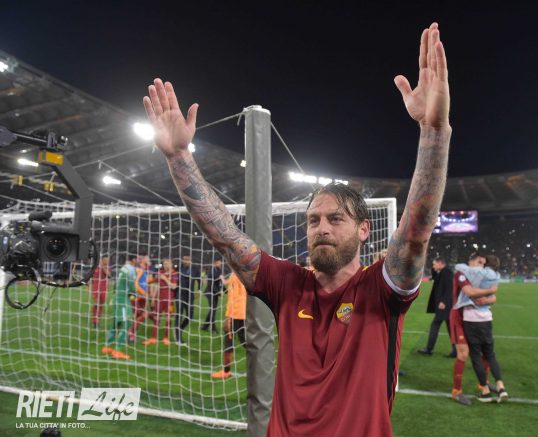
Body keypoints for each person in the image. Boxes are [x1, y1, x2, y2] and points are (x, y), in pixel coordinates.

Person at [143, 21, 451, 435]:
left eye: (335, 219)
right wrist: (178, 156)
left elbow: (415, 233)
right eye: (313, 220)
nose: (321, 228)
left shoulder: (380, 289)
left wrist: (434, 131)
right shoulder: (288, 286)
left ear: (364, 230)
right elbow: (225, 237)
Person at [454, 255, 508, 402]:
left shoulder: (475, 274)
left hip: (472, 319)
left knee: (478, 355)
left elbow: (478, 294)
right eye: (478, 261)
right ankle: (500, 387)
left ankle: (484, 389)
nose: (481, 265)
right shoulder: (491, 275)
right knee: (483, 354)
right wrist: (491, 293)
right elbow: (484, 294)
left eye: (483, 262)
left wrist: (490, 296)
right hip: (476, 318)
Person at [212, 272, 247, 379]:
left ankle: (226, 372)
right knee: (245, 341)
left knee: (228, 341)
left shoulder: (237, 274)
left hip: (236, 313)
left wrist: (228, 316)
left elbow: (234, 298)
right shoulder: (242, 273)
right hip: (244, 312)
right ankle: (263, 362)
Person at [418, 257, 455, 357]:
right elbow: (435, 278)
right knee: (450, 328)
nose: (433, 266)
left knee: (435, 325)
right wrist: (434, 269)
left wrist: (444, 302)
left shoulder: (447, 272)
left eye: (434, 264)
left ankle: (429, 349)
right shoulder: (443, 272)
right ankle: (455, 350)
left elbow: (450, 288)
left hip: (444, 305)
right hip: (446, 305)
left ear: (440, 263)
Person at [102, 254, 137, 360]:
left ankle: (107, 347)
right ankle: (117, 350)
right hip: (122, 299)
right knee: (127, 323)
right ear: (134, 259)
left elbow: (117, 284)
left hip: (117, 297)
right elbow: (131, 284)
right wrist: (134, 294)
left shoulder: (123, 268)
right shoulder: (131, 269)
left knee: (115, 323)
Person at [143, 258, 178, 346]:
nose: (166, 265)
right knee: (156, 318)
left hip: (169, 300)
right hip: (159, 300)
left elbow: (174, 287)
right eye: (164, 264)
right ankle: (153, 338)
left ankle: (166, 338)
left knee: (168, 319)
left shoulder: (175, 274)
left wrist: (165, 279)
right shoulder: (160, 272)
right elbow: (154, 284)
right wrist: (153, 298)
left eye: (167, 263)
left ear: (171, 264)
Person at [175, 254, 201, 345]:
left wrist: (199, 289)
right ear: (182, 260)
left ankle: (179, 329)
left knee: (190, 316)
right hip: (180, 294)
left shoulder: (195, 269)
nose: (186, 261)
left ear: (191, 260)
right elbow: (174, 279)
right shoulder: (178, 268)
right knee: (179, 316)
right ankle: (178, 338)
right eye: (184, 259)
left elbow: (199, 280)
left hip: (190, 295)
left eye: (188, 259)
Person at [128, 254, 154, 342]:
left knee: (140, 315)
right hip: (136, 295)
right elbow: (135, 283)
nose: (149, 259)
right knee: (141, 315)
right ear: (143, 259)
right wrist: (143, 293)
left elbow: (146, 282)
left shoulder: (146, 269)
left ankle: (131, 334)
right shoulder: (137, 269)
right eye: (147, 258)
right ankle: (130, 333)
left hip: (143, 296)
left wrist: (156, 279)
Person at [201, 259, 224, 333]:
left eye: (220, 262)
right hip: (209, 293)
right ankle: (213, 329)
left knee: (212, 310)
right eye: (218, 262)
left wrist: (225, 290)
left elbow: (220, 282)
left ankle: (205, 327)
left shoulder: (219, 270)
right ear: (214, 263)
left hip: (215, 293)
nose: (220, 264)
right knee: (213, 310)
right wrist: (219, 292)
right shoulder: (211, 271)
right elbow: (211, 284)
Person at [89, 255, 111, 327]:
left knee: (100, 305)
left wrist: (103, 267)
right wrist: (89, 287)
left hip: (104, 289)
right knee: (97, 303)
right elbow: (91, 278)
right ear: (102, 260)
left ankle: (97, 319)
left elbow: (109, 275)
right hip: (96, 288)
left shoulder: (107, 268)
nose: (107, 261)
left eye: (108, 260)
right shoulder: (95, 267)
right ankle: (95, 321)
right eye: (105, 260)